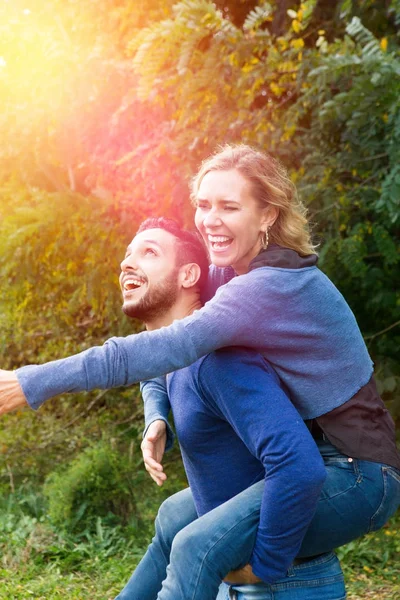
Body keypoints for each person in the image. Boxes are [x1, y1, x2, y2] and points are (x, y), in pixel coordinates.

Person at [0, 144, 399, 593]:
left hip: (359, 474)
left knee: (195, 545)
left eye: (229, 206)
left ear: (267, 215)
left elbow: (167, 344)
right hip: (316, 457)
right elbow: (165, 336)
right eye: (203, 204)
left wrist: (28, 381)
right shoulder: (229, 273)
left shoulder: (265, 288)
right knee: (174, 515)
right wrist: (157, 411)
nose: (211, 219)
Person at [113, 216, 344, 600]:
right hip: (233, 577)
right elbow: (152, 364)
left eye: (148, 252)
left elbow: (300, 466)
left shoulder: (220, 361)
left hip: (279, 585)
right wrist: (156, 416)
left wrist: (264, 568)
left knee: (187, 540)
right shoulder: (177, 352)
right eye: (127, 253)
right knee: (174, 515)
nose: (127, 263)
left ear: (189, 275)